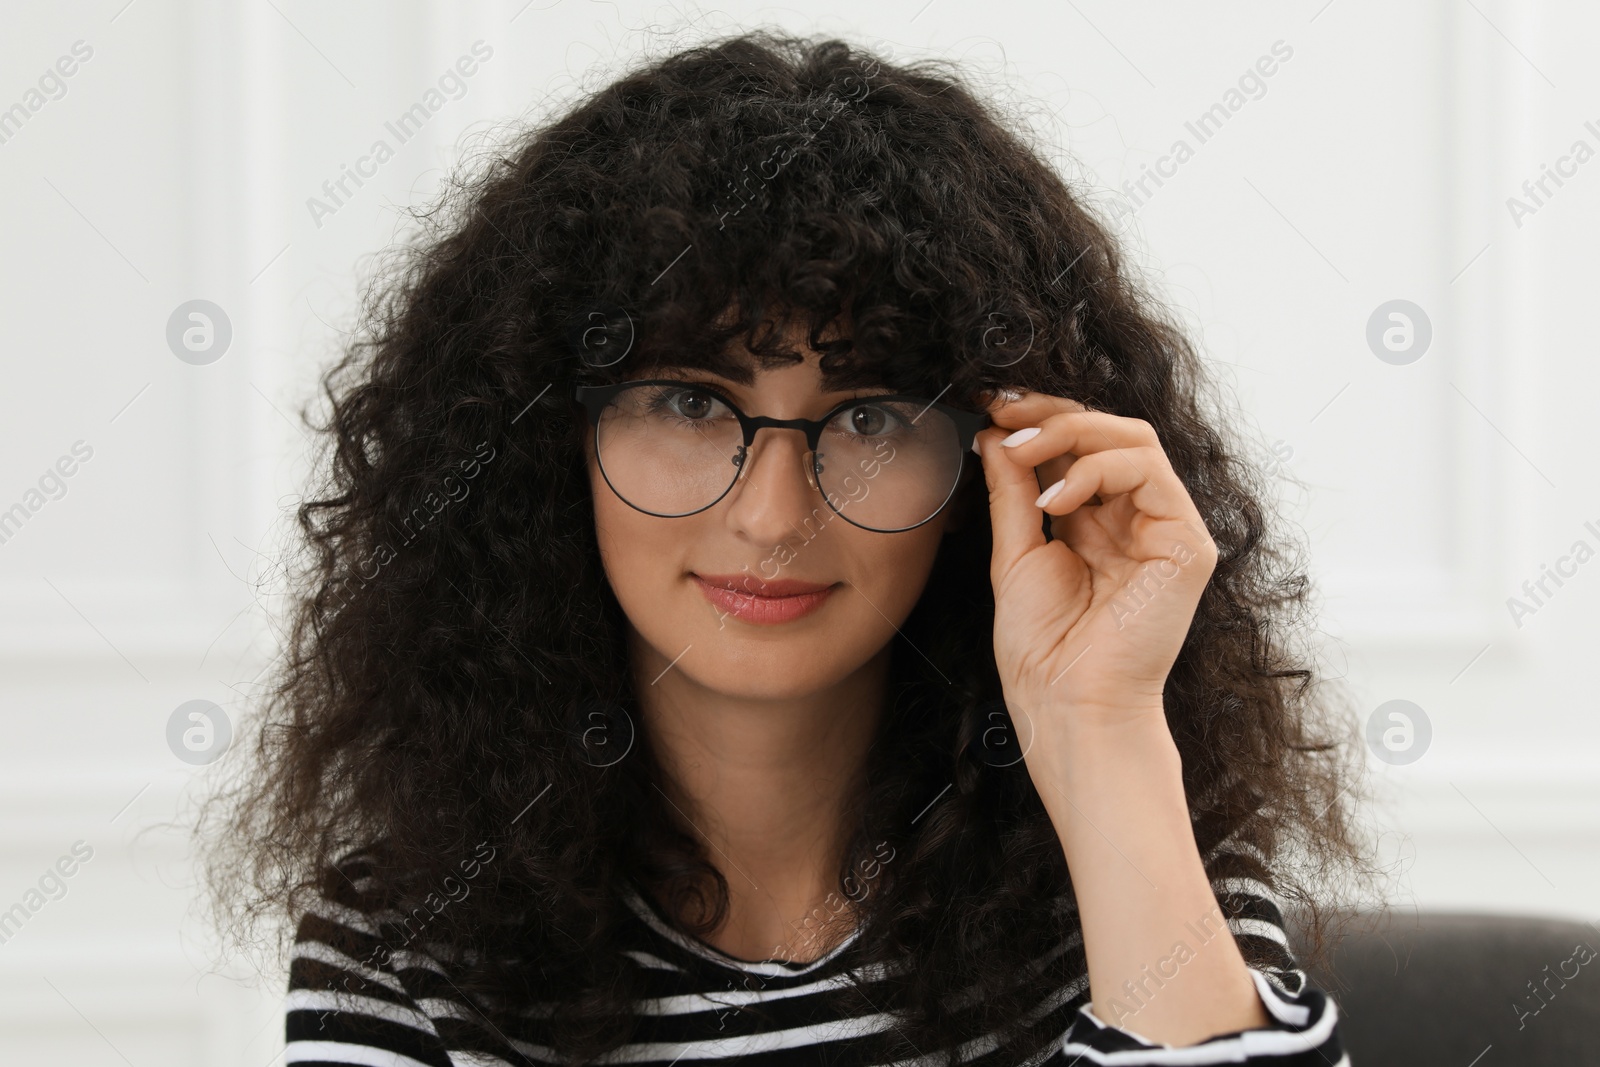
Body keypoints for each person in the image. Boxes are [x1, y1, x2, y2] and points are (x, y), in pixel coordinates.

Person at [203, 28, 1377, 1066]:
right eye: (685, 402)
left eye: (869, 418)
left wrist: (1102, 726)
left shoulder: (1136, 863)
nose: (771, 516)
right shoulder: (406, 942)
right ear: (545, 441)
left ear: (997, 466)